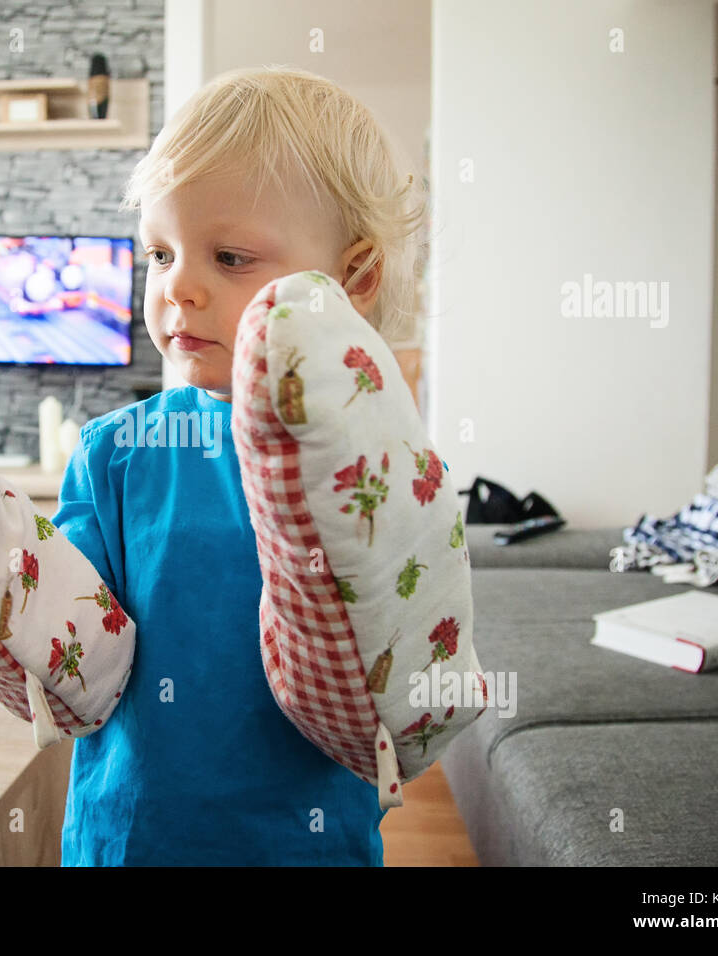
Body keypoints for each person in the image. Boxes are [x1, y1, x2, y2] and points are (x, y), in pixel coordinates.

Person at [51, 65, 429, 865]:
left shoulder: (372, 461)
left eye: (228, 257)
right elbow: (66, 644)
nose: (177, 285)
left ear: (351, 281)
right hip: (127, 838)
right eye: (160, 253)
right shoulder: (113, 454)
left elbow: (405, 646)